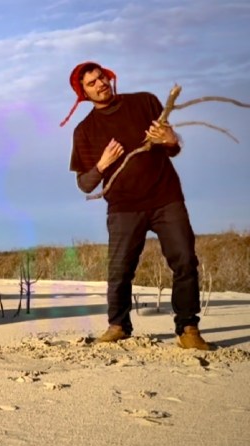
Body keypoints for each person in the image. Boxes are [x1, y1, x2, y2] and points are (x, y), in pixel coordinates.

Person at [64, 61, 210, 350]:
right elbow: (85, 184)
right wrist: (102, 164)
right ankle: (118, 326)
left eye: (101, 77)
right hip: (123, 208)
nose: (100, 84)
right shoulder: (85, 130)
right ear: (83, 93)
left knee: (184, 260)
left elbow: (172, 148)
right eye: (92, 83)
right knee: (119, 270)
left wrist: (170, 139)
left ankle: (188, 329)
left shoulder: (144, 102)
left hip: (165, 198)